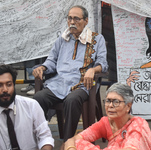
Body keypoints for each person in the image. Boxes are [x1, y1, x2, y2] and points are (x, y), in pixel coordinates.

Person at [32, 5, 108, 142]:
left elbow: (103, 62)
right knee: (38, 99)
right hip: (59, 83)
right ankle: (40, 139)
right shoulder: (62, 39)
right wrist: (42, 68)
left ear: (86, 21)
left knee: (71, 100)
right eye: (70, 18)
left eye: (76, 19)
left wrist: (93, 69)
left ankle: (67, 142)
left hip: (83, 84)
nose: (72, 22)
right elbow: (51, 61)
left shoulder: (97, 39)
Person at [62, 83, 151, 150]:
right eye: (108, 101)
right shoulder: (106, 122)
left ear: (128, 106)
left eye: (116, 102)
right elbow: (73, 140)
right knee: (77, 143)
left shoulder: (138, 124)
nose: (110, 105)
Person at [0, 64, 54, 150]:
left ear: (14, 85)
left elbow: (45, 137)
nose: (5, 89)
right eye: (0, 85)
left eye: (9, 84)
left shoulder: (31, 105)